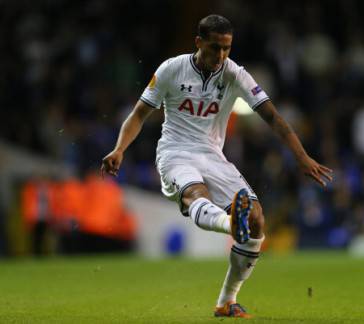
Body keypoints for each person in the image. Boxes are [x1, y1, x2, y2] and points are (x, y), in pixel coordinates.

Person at [101, 14, 333, 318]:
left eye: (227, 48)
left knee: (258, 219)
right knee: (194, 193)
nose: (221, 56)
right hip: (175, 153)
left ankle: (226, 301)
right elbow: (139, 114)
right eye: (214, 48)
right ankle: (228, 224)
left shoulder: (235, 74)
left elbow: (273, 117)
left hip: (213, 156)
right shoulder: (172, 69)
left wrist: (302, 156)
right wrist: (120, 149)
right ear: (198, 43)